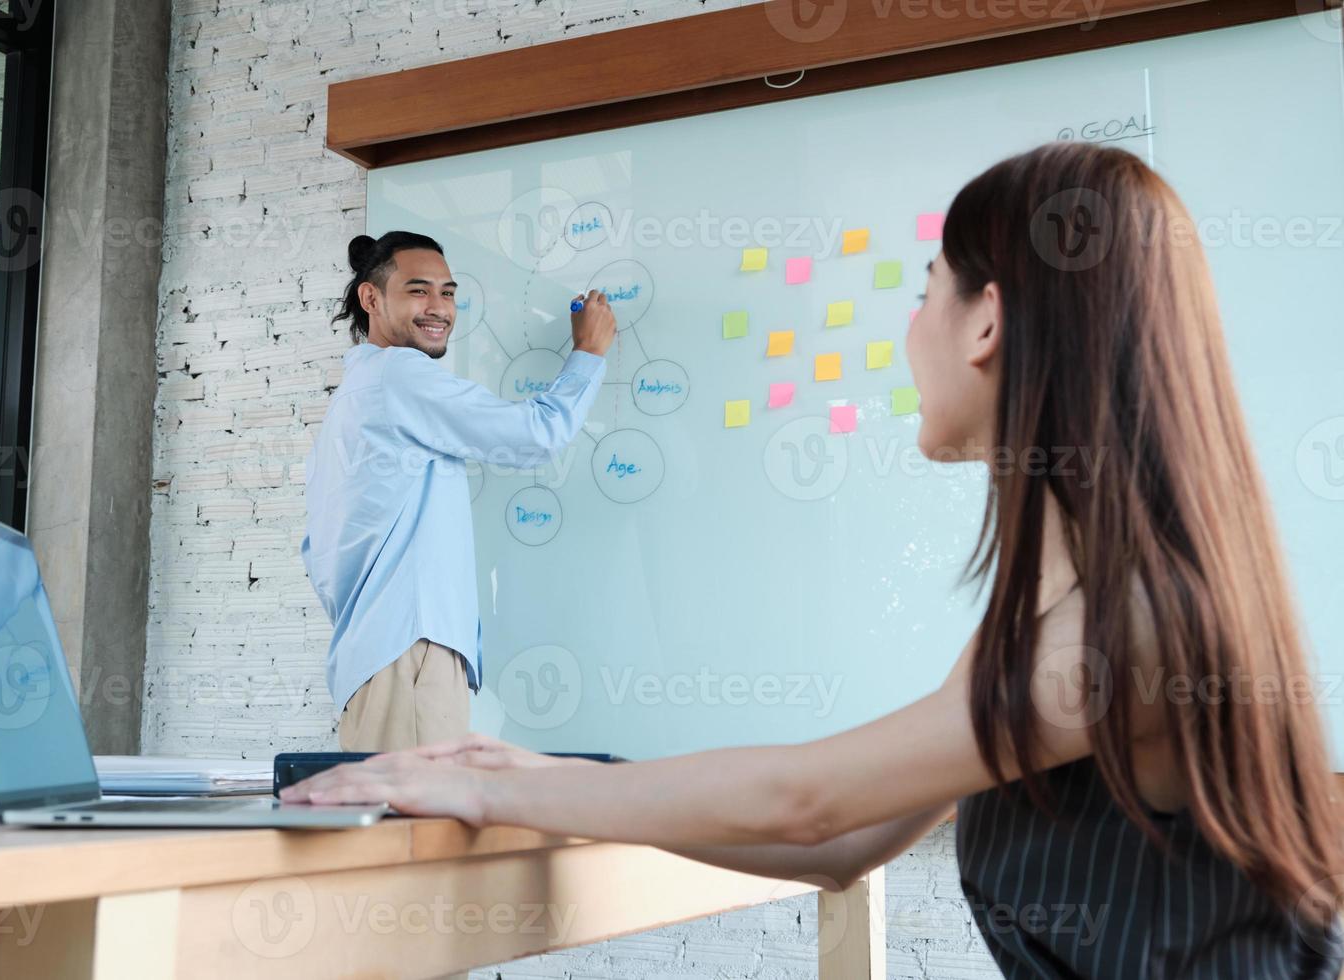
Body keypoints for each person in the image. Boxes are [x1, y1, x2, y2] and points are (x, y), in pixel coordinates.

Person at [283, 144, 1344, 976]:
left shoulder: (1114, 634)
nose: (906, 325)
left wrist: (513, 782)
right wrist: (528, 775)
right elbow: (840, 841)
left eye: (925, 289)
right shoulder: (1064, 614)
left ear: (989, 323)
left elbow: (809, 802)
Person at [302, 231, 616, 752]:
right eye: (418, 290)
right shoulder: (401, 376)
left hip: (377, 655)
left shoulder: (353, 396)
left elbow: (316, 551)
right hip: (411, 653)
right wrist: (588, 352)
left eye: (448, 293)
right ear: (372, 299)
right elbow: (533, 436)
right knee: (419, 828)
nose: (439, 307)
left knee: (389, 825)